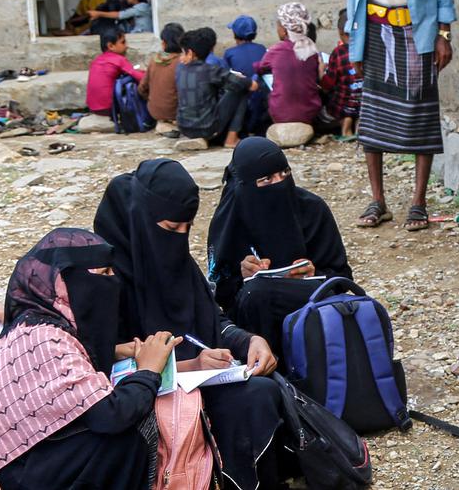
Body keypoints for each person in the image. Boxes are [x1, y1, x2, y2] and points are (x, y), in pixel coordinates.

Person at [94, 160, 283, 490]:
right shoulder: (104, 276)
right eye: (170, 229)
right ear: (141, 220)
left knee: (264, 390)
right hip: (142, 396)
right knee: (250, 400)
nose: (178, 239)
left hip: (199, 382)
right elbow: (98, 357)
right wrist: (184, 366)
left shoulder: (177, 261)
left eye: (187, 228)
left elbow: (212, 318)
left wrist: (248, 341)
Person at [0, 228, 180, 490]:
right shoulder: (49, 338)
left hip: (28, 467)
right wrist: (149, 370)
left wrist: (114, 352)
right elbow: (112, 415)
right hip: (32, 475)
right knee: (126, 438)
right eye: (104, 274)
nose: (113, 281)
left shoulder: (25, 330)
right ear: (65, 282)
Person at [346, 0, 456, 230]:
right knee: (372, 116)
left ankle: (418, 202)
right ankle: (378, 200)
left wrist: (444, 32)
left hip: (418, 30)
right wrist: (353, 39)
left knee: (421, 113)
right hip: (375, 27)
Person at [207, 137, 352, 351]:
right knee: (255, 294)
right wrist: (245, 275)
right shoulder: (230, 220)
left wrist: (313, 274)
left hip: (309, 304)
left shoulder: (311, 209)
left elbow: (342, 279)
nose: (279, 183)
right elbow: (221, 294)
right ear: (245, 184)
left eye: (284, 173)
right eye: (266, 179)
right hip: (252, 313)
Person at [176, 27, 258, 148]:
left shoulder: (180, 69)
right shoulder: (210, 70)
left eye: (183, 52)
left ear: (190, 53)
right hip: (206, 128)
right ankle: (231, 138)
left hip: (183, 127)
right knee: (240, 88)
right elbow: (252, 86)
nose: (181, 56)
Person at [253, 2, 323, 125]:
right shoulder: (312, 50)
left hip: (281, 115)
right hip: (310, 113)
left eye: (278, 26)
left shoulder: (276, 50)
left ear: (285, 30)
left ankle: (257, 126)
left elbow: (259, 68)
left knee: (259, 79)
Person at [319, 8, 363, 138]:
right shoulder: (368, 48)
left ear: (340, 32)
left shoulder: (338, 53)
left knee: (330, 101)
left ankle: (346, 124)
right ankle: (359, 123)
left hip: (343, 106)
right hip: (366, 105)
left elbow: (328, 85)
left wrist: (321, 72)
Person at [222, 14, 269, 134]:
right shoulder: (262, 49)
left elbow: (225, 79)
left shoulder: (229, 53)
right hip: (261, 104)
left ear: (235, 34)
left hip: (243, 107)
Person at [86, 29, 144, 118]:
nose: (126, 46)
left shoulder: (96, 60)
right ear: (111, 46)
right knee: (134, 83)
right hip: (108, 108)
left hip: (93, 108)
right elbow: (141, 77)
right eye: (123, 42)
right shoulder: (119, 59)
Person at [138, 22, 184, 128]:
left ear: (163, 43)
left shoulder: (154, 60)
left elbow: (142, 88)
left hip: (154, 112)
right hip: (175, 113)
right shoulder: (183, 63)